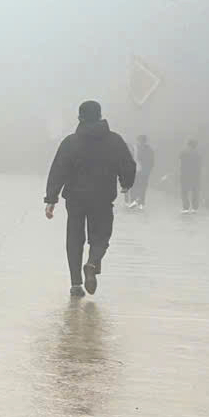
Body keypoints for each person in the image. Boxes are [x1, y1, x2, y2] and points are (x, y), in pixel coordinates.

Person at [43, 99, 136, 298]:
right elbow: (128, 164)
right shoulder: (114, 141)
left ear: (80, 117)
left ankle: (76, 284)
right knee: (101, 236)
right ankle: (92, 263)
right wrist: (126, 182)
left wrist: (51, 199)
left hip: (75, 199)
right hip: (102, 198)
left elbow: (58, 170)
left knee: (74, 239)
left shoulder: (71, 142)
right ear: (100, 115)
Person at [128, 134, 154, 210]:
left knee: (134, 186)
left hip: (136, 171)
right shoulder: (150, 150)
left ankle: (133, 201)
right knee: (143, 187)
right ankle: (141, 203)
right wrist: (148, 171)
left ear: (139, 140)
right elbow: (152, 162)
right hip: (145, 172)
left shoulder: (135, 149)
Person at [179, 138, 203, 213]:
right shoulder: (198, 154)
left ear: (188, 144)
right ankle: (194, 208)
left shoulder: (183, 152)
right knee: (195, 191)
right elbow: (200, 165)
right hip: (195, 175)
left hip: (185, 174)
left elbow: (180, 163)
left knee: (184, 191)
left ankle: (185, 208)